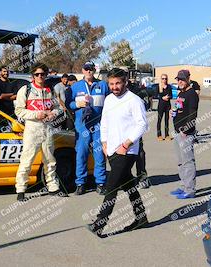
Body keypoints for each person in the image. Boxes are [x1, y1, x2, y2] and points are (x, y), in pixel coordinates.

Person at [87, 68, 148, 237]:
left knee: (111, 187)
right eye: (111, 84)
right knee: (129, 186)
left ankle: (99, 225)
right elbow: (104, 121)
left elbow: (142, 125)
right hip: (111, 150)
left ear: (125, 82)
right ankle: (141, 218)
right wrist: (104, 143)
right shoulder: (108, 99)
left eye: (118, 83)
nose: (115, 87)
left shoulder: (134, 100)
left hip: (127, 151)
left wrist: (126, 144)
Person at [14, 63, 64, 201]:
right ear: (33, 76)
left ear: (46, 75)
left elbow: (59, 108)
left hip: (48, 128)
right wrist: (37, 114)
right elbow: (18, 110)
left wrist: (53, 113)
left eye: (42, 74)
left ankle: (53, 187)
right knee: (27, 160)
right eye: (37, 74)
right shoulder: (26, 90)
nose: (40, 76)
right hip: (32, 128)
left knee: (50, 159)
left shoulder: (50, 90)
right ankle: (21, 190)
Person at [69, 61, 108, 195]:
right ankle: (80, 183)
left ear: (94, 70)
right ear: (83, 70)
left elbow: (110, 103)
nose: (89, 71)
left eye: (91, 69)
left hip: (98, 125)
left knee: (100, 155)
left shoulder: (102, 85)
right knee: (81, 154)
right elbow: (69, 104)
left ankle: (101, 183)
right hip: (82, 126)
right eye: (86, 69)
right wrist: (77, 104)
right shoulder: (76, 86)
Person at [170, 69, 199, 199]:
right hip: (178, 132)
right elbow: (180, 109)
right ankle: (183, 186)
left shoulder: (192, 94)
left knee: (188, 161)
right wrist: (173, 112)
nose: (180, 81)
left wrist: (186, 130)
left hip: (185, 133)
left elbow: (193, 114)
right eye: (178, 79)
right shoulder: (181, 93)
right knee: (181, 161)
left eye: (182, 79)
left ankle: (190, 189)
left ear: (188, 79)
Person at [156, 74, 172, 141]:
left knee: (166, 120)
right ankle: (159, 135)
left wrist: (168, 97)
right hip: (161, 106)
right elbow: (156, 95)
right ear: (161, 79)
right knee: (159, 120)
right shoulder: (158, 86)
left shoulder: (169, 86)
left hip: (167, 106)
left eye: (165, 78)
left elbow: (171, 95)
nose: (164, 80)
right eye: (163, 78)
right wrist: (162, 97)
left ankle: (167, 135)